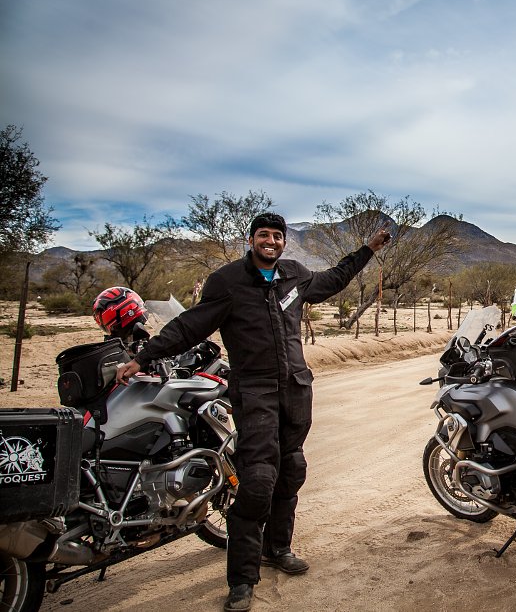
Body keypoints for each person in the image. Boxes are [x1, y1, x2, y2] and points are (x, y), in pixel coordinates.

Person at [116, 212, 391, 612]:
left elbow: (334, 279)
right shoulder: (228, 283)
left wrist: (367, 249)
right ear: (251, 240)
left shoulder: (294, 276)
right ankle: (242, 579)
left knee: (291, 469)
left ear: (283, 242)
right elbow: (190, 326)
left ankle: (278, 548)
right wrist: (145, 357)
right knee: (258, 480)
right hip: (256, 393)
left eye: (277, 236)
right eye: (264, 235)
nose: (271, 241)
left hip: (295, 389)